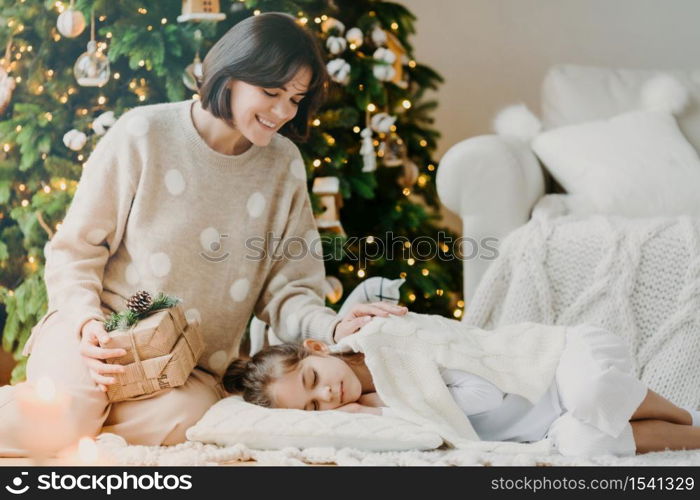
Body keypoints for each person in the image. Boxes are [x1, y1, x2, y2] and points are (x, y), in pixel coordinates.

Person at [0, 12, 406, 456]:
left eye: (295, 99)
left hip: (185, 369)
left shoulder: (282, 165)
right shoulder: (144, 133)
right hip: (100, 332)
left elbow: (290, 291)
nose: (282, 112)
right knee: (66, 418)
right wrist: (84, 322)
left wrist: (333, 325)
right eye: (271, 93)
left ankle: (67, 411)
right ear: (229, 76)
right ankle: (71, 406)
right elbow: (76, 250)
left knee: (193, 422)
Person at [224, 314, 700, 457]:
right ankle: (693, 436)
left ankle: (681, 414)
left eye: (313, 380)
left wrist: (387, 406)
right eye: (312, 408)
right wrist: (373, 415)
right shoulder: (370, 419)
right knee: (586, 443)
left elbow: (486, 394)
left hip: (554, 362)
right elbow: (439, 436)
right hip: (549, 424)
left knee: (591, 394)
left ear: (318, 348)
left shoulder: (386, 342)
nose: (327, 396)